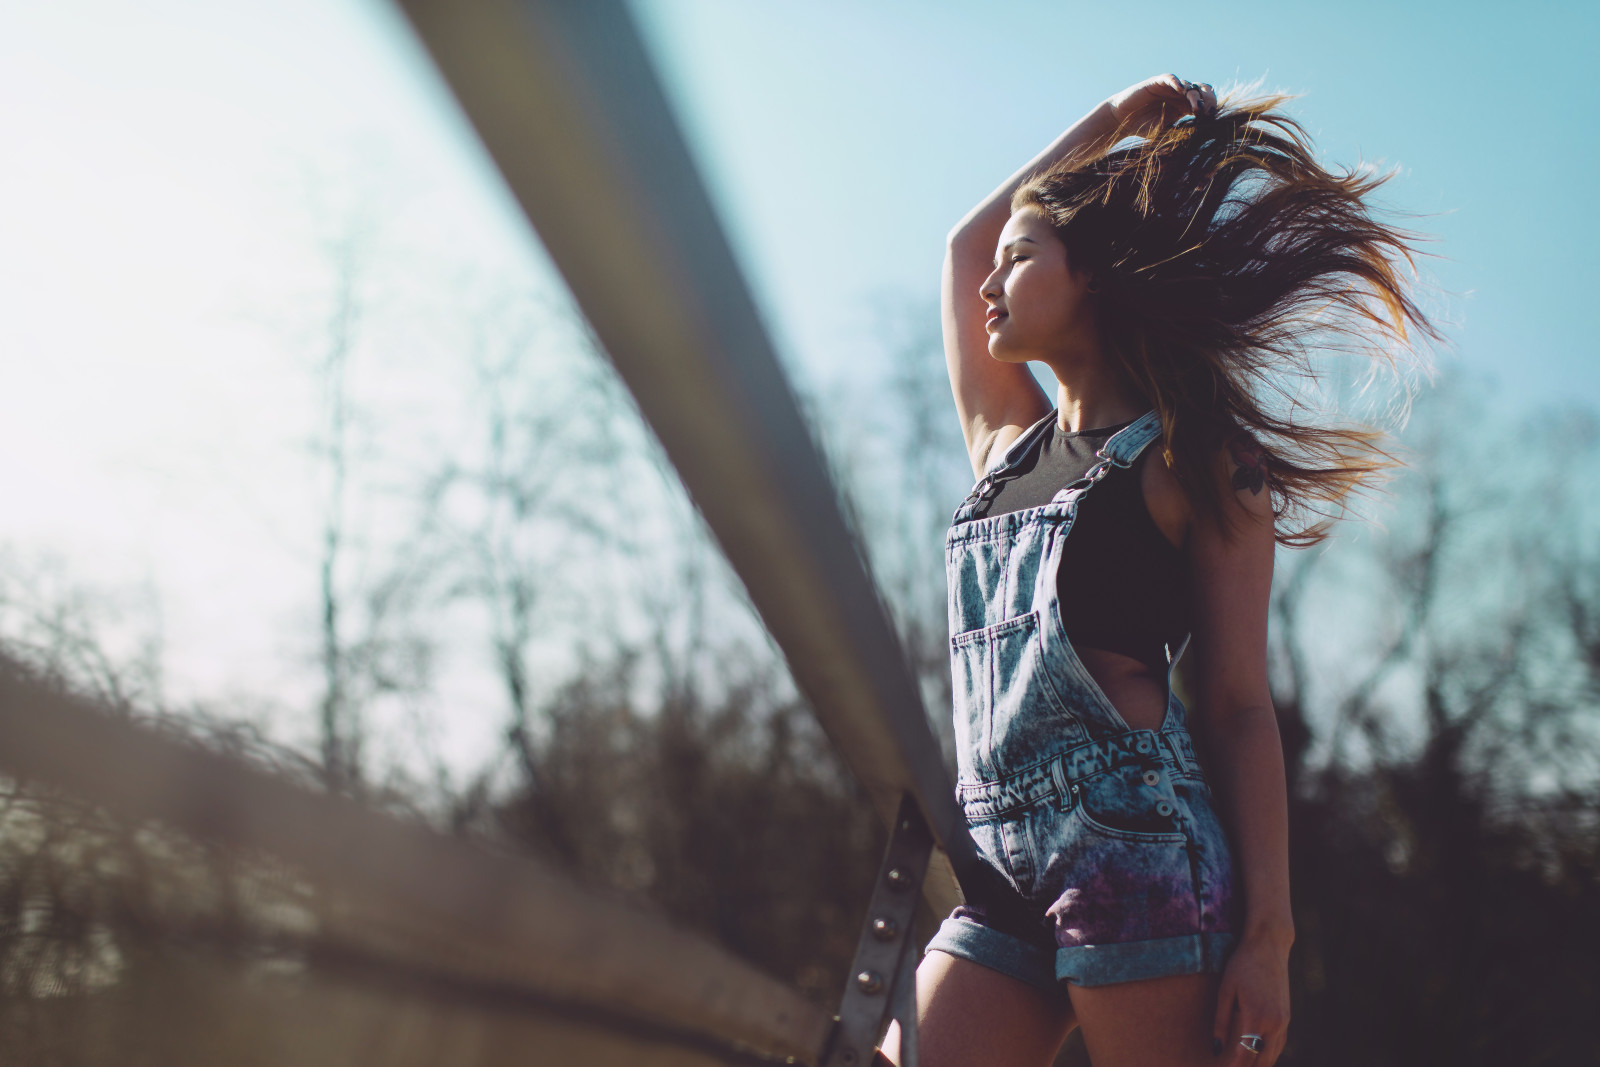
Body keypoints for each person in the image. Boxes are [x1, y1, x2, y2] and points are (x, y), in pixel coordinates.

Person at [879, 75, 1435, 1067]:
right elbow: (964, 245)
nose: (988, 283)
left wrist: (1268, 934)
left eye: (1023, 259)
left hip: (1131, 846)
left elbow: (1235, 705)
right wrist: (1110, 120)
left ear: (1091, 274)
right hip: (997, 859)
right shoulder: (1004, 443)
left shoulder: (1198, 461)